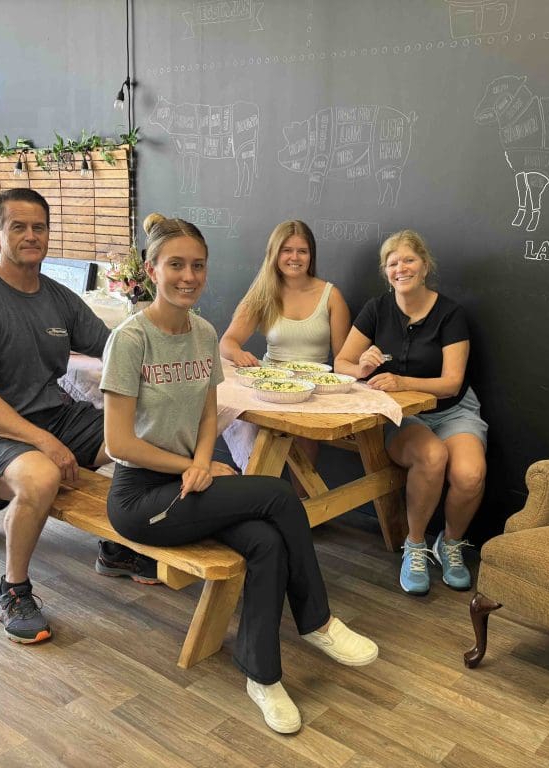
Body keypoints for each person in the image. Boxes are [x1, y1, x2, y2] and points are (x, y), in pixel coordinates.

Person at [102, 213, 377, 734]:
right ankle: (316, 620)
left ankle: (263, 677)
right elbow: (119, 443)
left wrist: (205, 462)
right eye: (176, 265)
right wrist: (193, 465)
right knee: (277, 495)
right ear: (151, 268)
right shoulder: (131, 339)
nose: (188, 276)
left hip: (191, 481)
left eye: (198, 266)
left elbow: (210, 411)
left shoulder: (204, 333)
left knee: (267, 544)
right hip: (142, 499)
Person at [0, 188, 155, 645]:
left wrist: (172, 343)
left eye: (39, 227)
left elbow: (115, 348)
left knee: (142, 435)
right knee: (39, 477)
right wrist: (45, 442)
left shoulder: (59, 298)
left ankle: (118, 548)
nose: (31, 235)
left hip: (50, 415)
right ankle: (13, 590)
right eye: (18, 226)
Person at [334, 229, 488, 596]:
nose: (400, 268)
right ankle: (415, 545)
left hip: (453, 411)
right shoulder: (376, 309)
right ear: (385, 272)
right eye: (392, 263)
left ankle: (449, 544)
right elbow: (340, 362)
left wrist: (401, 381)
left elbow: (451, 383)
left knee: (470, 474)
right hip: (401, 415)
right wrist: (363, 368)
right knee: (432, 457)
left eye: (408, 260)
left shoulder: (450, 314)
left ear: (425, 265)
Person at [219, 220, 350, 474]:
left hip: (315, 390)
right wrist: (238, 353)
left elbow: (344, 358)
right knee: (255, 434)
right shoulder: (263, 292)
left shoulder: (331, 296)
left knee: (305, 441)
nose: (294, 257)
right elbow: (227, 341)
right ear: (275, 254)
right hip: (271, 386)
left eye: (302, 251)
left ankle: (302, 506)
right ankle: (259, 495)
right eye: (286, 250)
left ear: (311, 256)